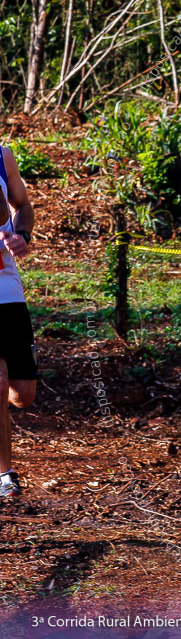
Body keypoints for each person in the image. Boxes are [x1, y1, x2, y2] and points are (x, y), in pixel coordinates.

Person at [0, 145, 39, 499]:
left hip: (7, 292)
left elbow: (22, 207)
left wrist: (19, 235)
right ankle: (4, 475)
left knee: (22, 395)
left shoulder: (2, 155)